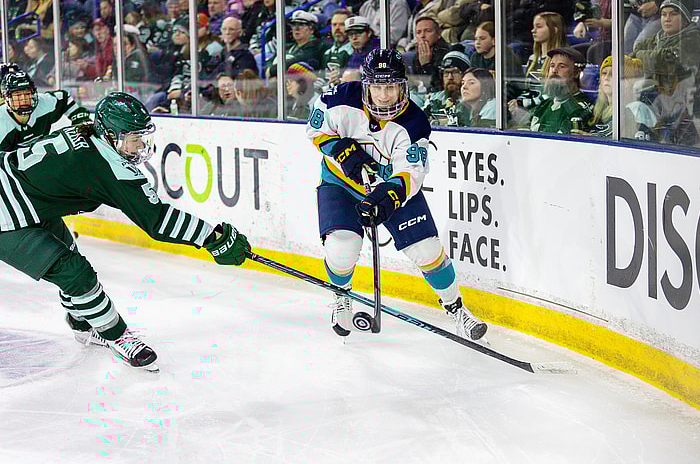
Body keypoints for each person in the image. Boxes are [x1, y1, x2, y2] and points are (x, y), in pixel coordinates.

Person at [0, 91, 250, 371]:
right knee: (75, 273)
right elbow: (158, 221)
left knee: (68, 257)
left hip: (29, 203)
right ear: (111, 136)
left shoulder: (87, 135)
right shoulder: (109, 165)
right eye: (134, 138)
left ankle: (82, 322)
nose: (141, 145)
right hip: (5, 217)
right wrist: (213, 238)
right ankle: (117, 337)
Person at [305, 49, 488, 340]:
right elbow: (315, 131)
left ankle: (456, 308)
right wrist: (340, 149)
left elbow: (410, 173)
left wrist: (388, 195)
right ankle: (342, 295)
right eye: (377, 86)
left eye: (390, 86)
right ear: (366, 84)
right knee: (342, 247)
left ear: (402, 85)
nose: (384, 95)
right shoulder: (337, 97)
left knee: (427, 250)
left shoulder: (414, 122)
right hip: (339, 184)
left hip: (391, 188)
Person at [0, 64, 90, 151]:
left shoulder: (44, 103)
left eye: (27, 94)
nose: (24, 99)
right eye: (18, 95)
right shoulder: (2, 124)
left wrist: (81, 120)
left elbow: (64, 98)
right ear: (6, 98)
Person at [527, 46, 594, 133]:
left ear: (576, 73)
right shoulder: (544, 103)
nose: (554, 70)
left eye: (561, 66)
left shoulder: (580, 108)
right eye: (552, 65)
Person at [420, 50, 471, 125]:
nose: (450, 77)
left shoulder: (470, 101)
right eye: (446, 73)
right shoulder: (434, 98)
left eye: (455, 72)